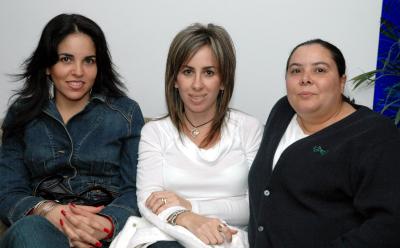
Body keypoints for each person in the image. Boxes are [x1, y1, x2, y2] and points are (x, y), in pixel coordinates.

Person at [110, 23, 263, 248]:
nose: (197, 85)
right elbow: (148, 201)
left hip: (225, 238)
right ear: (174, 79)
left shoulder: (249, 129)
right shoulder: (155, 132)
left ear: (223, 81)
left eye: (209, 72)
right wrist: (188, 219)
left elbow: (256, 206)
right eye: (187, 71)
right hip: (164, 236)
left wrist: (190, 205)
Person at [0, 13, 144, 248]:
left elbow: (136, 190)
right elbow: (7, 192)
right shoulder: (22, 114)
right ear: (48, 65)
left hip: (108, 231)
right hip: (43, 228)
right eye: (66, 59)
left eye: (89, 61)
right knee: (30, 233)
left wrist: (104, 224)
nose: (78, 71)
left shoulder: (125, 113)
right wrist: (48, 211)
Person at [248, 39, 400, 247]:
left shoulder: (374, 136)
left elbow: (389, 225)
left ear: (341, 81)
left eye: (319, 70)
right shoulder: (283, 110)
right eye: (295, 71)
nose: (305, 79)